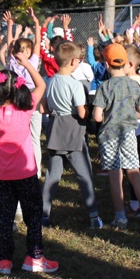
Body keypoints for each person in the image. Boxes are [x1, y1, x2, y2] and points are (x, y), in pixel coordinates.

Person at [0, 53, 56, 275]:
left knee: (4, 218)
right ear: (18, 88)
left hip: (1, 175)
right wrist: (26, 63)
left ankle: (5, 261)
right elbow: (41, 84)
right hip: (25, 172)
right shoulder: (26, 109)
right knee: (33, 215)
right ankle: (34, 257)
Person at [41, 42, 102, 229]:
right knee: (84, 174)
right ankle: (93, 216)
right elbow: (82, 113)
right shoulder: (75, 85)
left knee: (52, 174)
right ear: (74, 61)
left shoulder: (49, 81)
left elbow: (43, 108)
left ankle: (44, 215)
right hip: (73, 130)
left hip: (54, 127)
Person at [93, 43, 140, 229]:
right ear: (126, 62)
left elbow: (97, 116)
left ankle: (120, 217)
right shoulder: (134, 85)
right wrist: (127, 114)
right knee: (134, 173)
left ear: (107, 64)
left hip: (109, 135)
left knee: (115, 176)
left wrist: (111, 115)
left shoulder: (104, 87)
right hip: (128, 134)